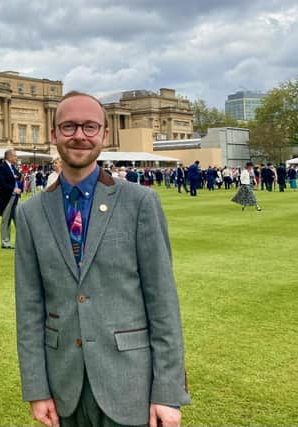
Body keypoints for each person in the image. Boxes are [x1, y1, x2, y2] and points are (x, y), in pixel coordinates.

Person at [15, 92, 190, 427]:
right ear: (53, 135)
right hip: (65, 387)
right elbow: (29, 309)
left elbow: (163, 301)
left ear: (104, 136)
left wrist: (167, 392)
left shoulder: (140, 202)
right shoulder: (30, 213)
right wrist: (37, 389)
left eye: (90, 127)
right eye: (68, 126)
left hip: (130, 384)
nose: (79, 135)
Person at [0, 149, 21, 248]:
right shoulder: (2, 167)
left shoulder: (12, 167)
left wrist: (17, 175)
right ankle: (5, 242)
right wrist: (13, 189)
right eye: (15, 156)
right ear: (9, 157)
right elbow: (1, 183)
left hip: (16, 197)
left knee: (19, 220)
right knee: (6, 221)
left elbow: (18, 176)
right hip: (7, 198)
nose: (16, 158)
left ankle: (21, 242)